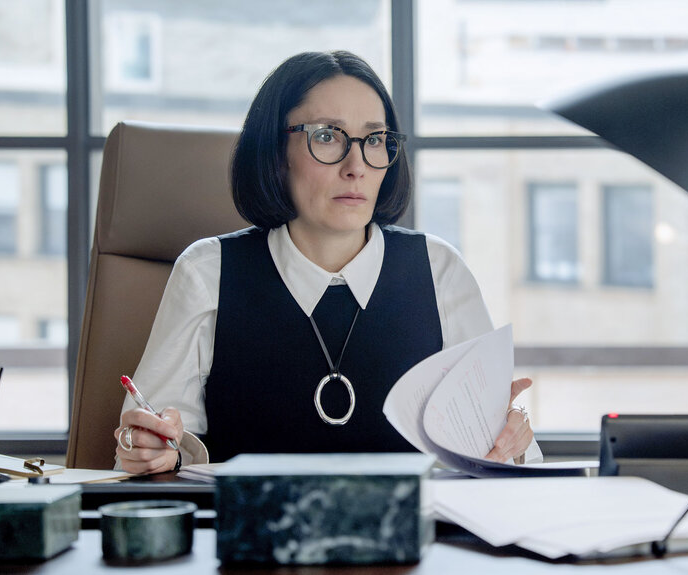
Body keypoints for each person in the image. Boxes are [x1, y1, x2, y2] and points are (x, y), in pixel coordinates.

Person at [114, 50, 540, 474]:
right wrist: (152, 450)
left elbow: (503, 462)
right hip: (251, 518)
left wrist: (511, 439)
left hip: (412, 519)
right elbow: (148, 454)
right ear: (276, 152)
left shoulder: (440, 270)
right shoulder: (207, 272)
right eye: (326, 136)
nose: (356, 167)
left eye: (374, 140)